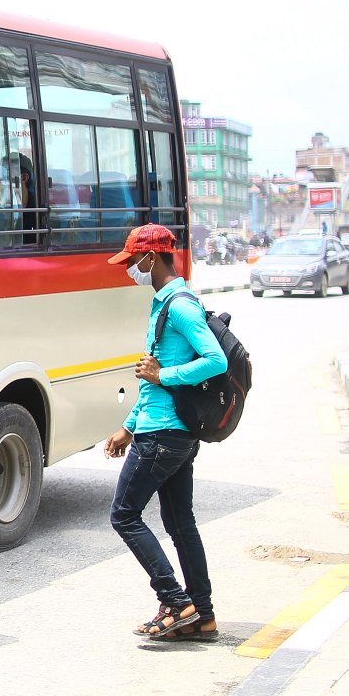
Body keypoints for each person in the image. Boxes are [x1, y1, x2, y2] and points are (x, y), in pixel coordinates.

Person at [101, 223, 227, 641]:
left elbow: (215, 361)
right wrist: (127, 426)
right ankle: (203, 615)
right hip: (164, 429)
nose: (129, 269)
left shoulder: (179, 306)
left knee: (124, 514)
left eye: (132, 261)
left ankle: (175, 600)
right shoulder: (165, 304)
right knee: (179, 522)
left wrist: (165, 373)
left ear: (150, 258)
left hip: (164, 436)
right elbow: (149, 381)